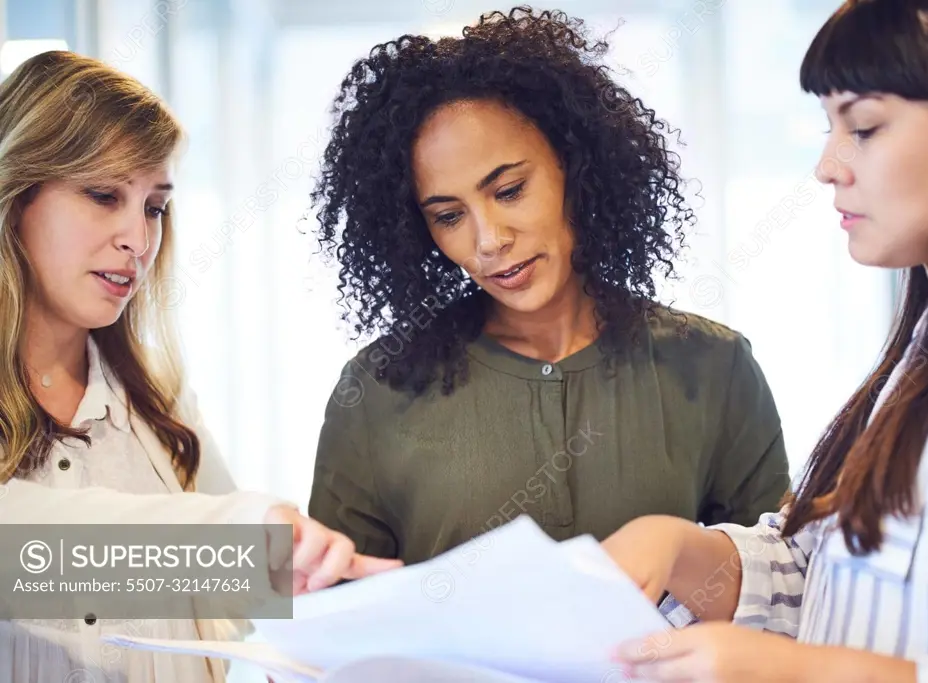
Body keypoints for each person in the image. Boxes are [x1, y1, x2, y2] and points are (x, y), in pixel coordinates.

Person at [600, 1, 928, 681]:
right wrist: (684, 549)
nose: (828, 166)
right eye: (829, 127)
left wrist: (803, 672)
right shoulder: (924, 354)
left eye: (863, 126)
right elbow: (823, 575)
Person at [306, 6, 791, 566]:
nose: (488, 241)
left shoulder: (712, 367)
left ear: (576, 166)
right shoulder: (377, 388)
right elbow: (326, 606)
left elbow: (778, 589)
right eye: (448, 215)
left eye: (509, 190)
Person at [0, 51, 400, 683]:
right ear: (15, 196)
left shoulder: (157, 396)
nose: (139, 238)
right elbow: (22, 550)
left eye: (154, 207)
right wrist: (244, 536)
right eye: (104, 195)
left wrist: (322, 610)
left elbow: (248, 597)